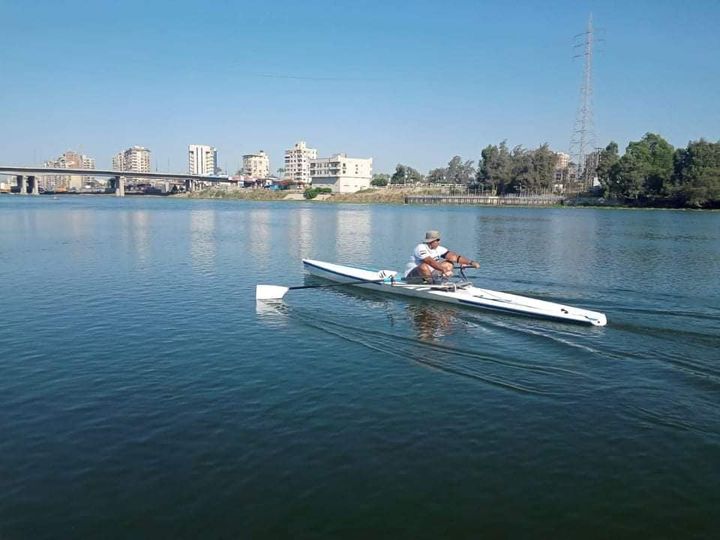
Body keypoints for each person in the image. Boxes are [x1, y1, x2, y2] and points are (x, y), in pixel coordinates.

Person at [404, 230, 480, 284]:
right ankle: (431, 285)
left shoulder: (440, 249)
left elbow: (454, 257)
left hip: (429, 275)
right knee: (423, 266)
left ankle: (440, 283)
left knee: (449, 263)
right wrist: (444, 270)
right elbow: (429, 261)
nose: (439, 241)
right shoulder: (420, 248)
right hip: (412, 276)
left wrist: (471, 262)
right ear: (431, 241)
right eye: (438, 240)